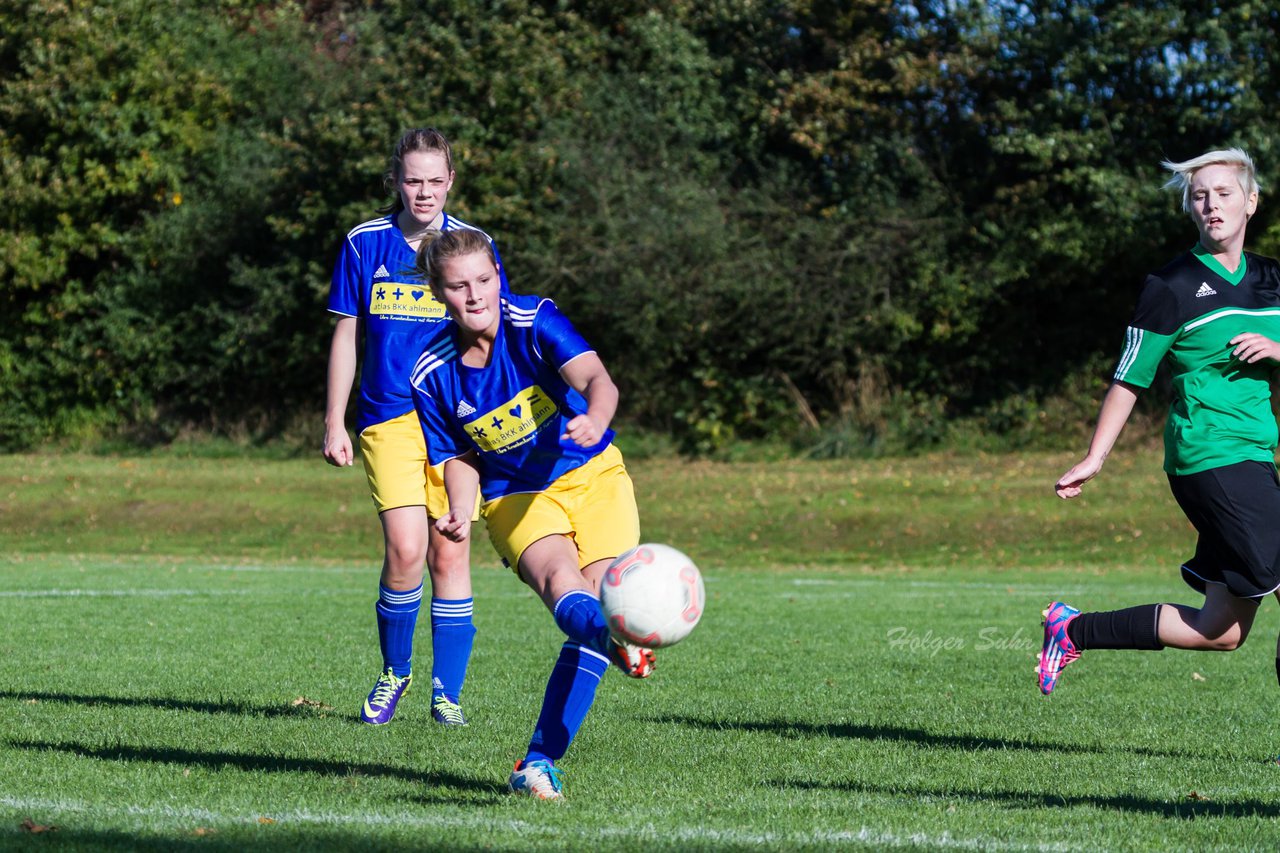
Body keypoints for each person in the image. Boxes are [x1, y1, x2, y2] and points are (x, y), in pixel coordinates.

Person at [409, 227, 655, 800]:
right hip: (515, 494)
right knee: (562, 586)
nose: (474, 295)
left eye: (484, 280)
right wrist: (460, 510)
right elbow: (461, 457)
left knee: (594, 620)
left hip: (594, 476)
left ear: (498, 274)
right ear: (437, 293)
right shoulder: (431, 371)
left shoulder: (535, 321)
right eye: (458, 286)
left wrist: (594, 416)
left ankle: (536, 763)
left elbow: (599, 379)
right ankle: (619, 636)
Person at [1040, 147, 1280, 696]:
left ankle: (1070, 628)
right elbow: (1130, 378)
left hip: (1256, 456)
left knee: (1218, 630)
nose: (1212, 206)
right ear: (1191, 210)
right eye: (1200, 197)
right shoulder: (1170, 287)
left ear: (1251, 202)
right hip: (1211, 457)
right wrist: (1095, 457)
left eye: (1223, 194)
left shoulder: (1271, 278)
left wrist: (1275, 348)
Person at [323, 128, 510, 726]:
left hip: (457, 426)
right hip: (389, 419)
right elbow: (347, 332)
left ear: (450, 181)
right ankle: (394, 672)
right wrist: (334, 419)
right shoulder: (364, 243)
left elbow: (494, 335)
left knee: (450, 553)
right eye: (412, 180)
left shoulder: (473, 247)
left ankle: (446, 695)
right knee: (405, 550)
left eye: (435, 180)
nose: (423, 192)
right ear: (395, 181)